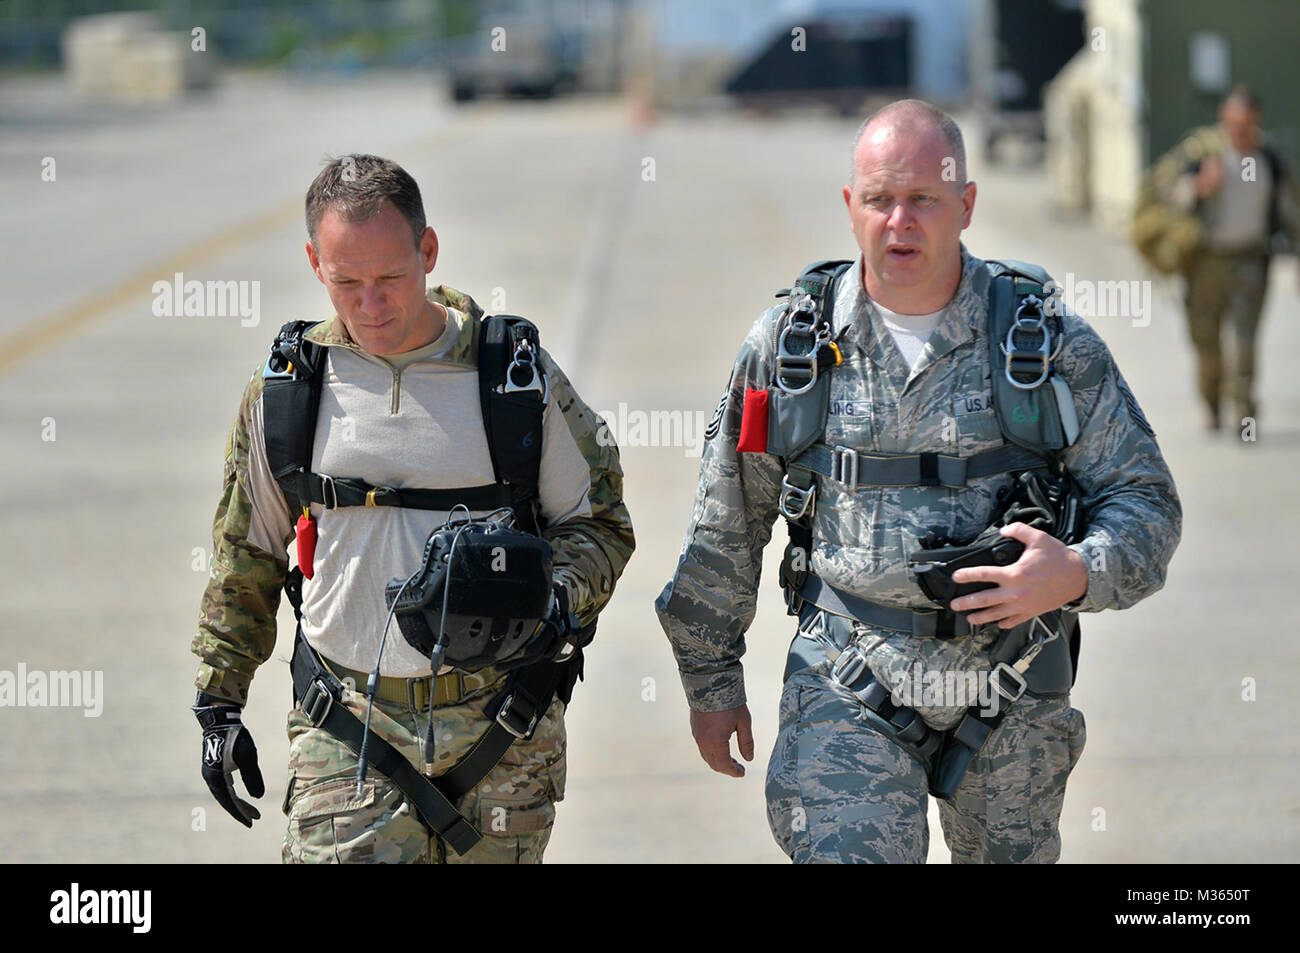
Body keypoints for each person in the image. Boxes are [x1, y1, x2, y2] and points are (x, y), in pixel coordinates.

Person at [656, 100, 1181, 863]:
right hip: (846, 678)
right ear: (850, 207)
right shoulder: (791, 350)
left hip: (1012, 685)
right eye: (879, 199)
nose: (899, 221)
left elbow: (1146, 503)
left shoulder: (1042, 342)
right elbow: (727, 521)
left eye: (924, 200)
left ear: (966, 204)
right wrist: (711, 679)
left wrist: (1075, 572)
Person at [191, 154, 635, 864]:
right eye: (346, 281)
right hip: (346, 724)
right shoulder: (287, 393)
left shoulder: (514, 381)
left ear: (427, 251)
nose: (371, 305)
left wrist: (549, 603)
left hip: (503, 724)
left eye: (391, 277)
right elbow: (248, 553)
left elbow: (602, 525)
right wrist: (220, 699)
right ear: (314, 262)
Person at [1136, 85, 1300, 430]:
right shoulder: (1201, 153)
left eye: (1248, 124)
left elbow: (1290, 211)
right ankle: (1211, 403)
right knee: (1206, 341)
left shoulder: (1268, 158)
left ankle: (1245, 414)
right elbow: (1161, 193)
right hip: (1205, 262)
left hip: (1251, 261)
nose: (1241, 131)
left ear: (1257, 121)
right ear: (1223, 119)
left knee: (1244, 342)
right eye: (1235, 123)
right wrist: (1196, 188)